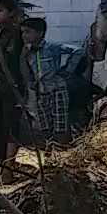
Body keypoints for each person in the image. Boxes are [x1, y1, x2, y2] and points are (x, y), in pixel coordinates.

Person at [20, 17, 78, 146]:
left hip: (56, 89)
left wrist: (68, 69)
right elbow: (25, 72)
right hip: (41, 91)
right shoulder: (28, 52)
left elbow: (77, 51)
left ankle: (63, 150)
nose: (24, 35)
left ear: (40, 33)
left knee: (60, 123)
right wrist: (23, 57)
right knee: (44, 125)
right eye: (23, 32)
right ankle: (50, 151)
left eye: (28, 32)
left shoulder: (52, 47)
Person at [0, 0, 26, 165]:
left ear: (11, 13)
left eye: (0, 11)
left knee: (11, 126)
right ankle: (0, 164)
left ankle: (9, 166)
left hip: (12, 86)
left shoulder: (17, 34)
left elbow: (19, 61)